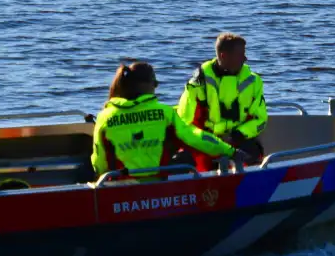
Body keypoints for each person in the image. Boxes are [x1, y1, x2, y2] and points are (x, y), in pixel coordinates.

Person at [91, 61, 246, 178]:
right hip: (158, 186)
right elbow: (196, 138)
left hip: (120, 189)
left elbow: (99, 161)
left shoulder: (104, 117)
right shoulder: (164, 114)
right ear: (146, 85)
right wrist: (230, 151)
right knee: (185, 157)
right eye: (155, 83)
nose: (156, 87)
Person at [177, 32, 268, 170]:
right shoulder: (197, 83)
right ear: (223, 56)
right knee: (183, 159)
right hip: (206, 142)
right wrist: (209, 140)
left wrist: (236, 135)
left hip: (239, 139)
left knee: (253, 153)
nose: (245, 58)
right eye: (240, 54)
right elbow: (184, 123)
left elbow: (260, 120)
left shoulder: (253, 81)